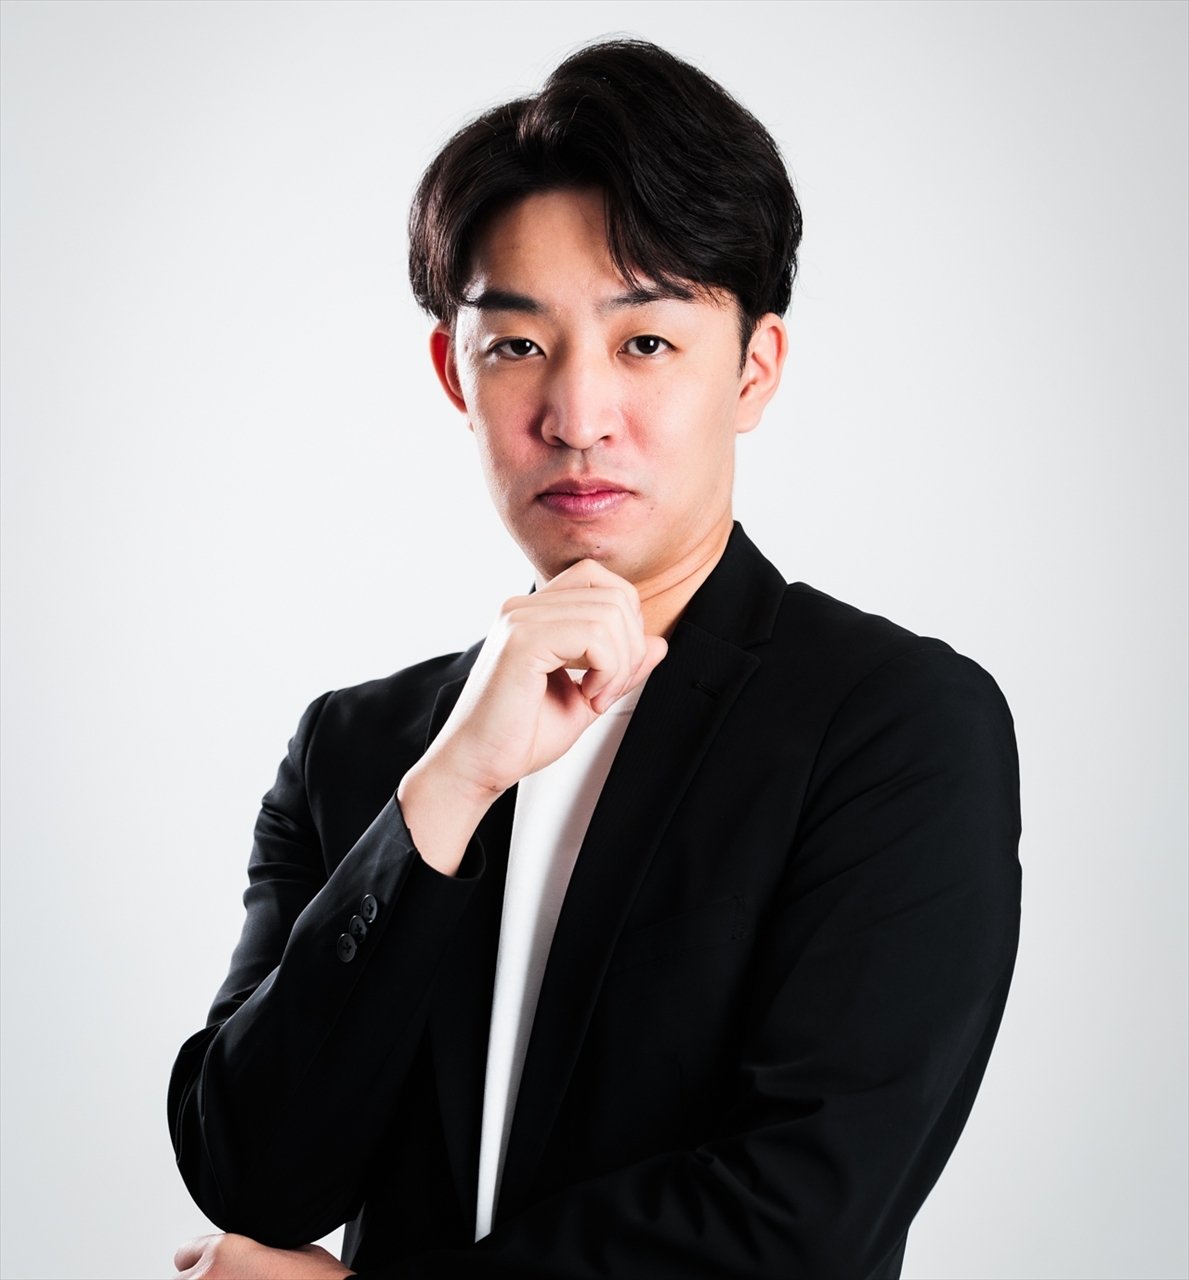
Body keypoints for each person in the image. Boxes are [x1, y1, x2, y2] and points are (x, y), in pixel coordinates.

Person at [169, 39, 1021, 1280]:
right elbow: (254, 1172)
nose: (575, 416)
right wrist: (452, 783)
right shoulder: (359, 748)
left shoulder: (891, 724)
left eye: (645, 343)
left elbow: (801, 1219)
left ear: (754, 370)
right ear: (453, 374)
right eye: (517, 345)